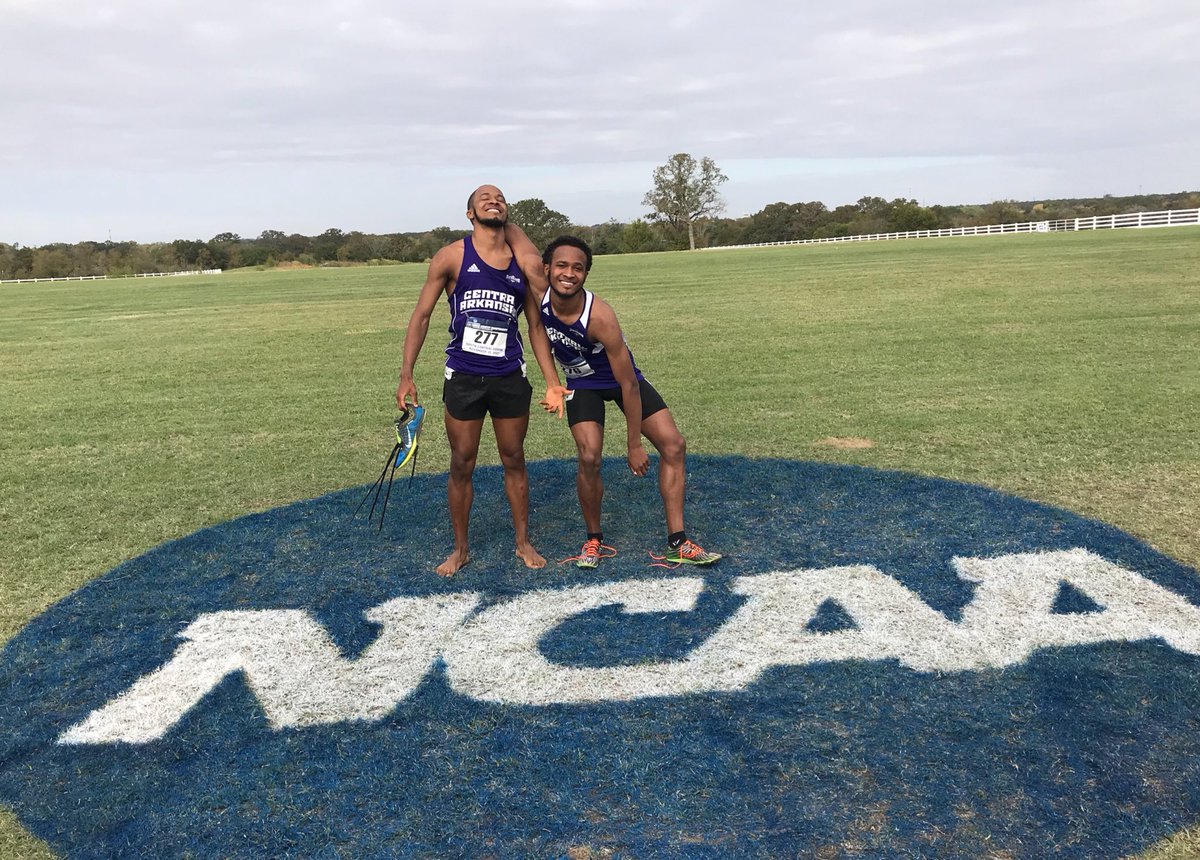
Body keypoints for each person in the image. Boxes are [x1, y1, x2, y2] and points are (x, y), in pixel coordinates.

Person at [507, 228, 721, 569]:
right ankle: (593, 539)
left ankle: (678, 542)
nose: (569, 273)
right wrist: (552, 382)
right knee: (590, 455)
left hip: (622, 383)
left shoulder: (600, 317)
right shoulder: (539, 287)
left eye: (578, 268)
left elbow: (629, 385)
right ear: (545, 268)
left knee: (673, 445)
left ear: (586, 274)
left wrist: (633, 443)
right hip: (582, 384)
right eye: (561, 265)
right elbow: (513, 237)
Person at [395, 185, 564, 576]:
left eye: (500, 197)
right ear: (469, 213)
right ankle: (460, 549)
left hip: (509, 376)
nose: (494, 200)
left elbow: (537, 326)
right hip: (464, 377)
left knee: (514, 459)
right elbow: (421, 316)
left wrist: (552, 380)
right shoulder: (451, 257)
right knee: (461, 463)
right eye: (484, 198)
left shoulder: (521, 262)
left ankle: (522, 542)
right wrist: (406, 375)